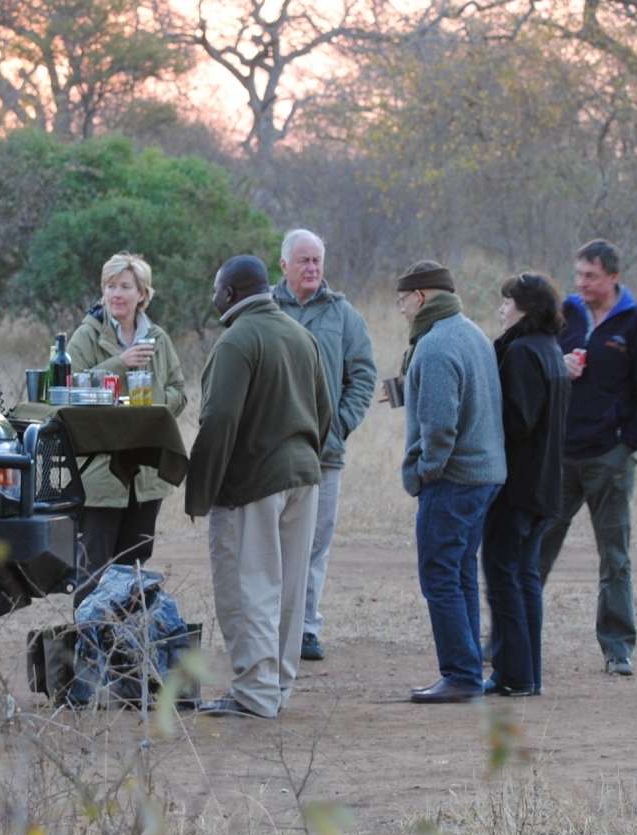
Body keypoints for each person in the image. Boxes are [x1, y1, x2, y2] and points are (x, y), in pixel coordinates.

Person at [185, 255, 333, 719]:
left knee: (248, 587)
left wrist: (202, 488)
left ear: (230, 294)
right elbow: (323, 411)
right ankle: (277, 687)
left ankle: (254, 692)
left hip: (253, 484)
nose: (213, 299)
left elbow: (220, 419)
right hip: (304, 479)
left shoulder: (237, 341)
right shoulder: (299, 334)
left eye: (216, 290)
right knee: (289, 588)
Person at [539, 239, 637, 677]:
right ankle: (507, 639)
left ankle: (617, 648)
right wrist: (561, 363)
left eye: (590, 276)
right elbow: (535, 358)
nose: (581, 284)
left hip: (608, 459)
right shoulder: (566, 315)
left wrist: (625, 447)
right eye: (578, 275)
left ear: (613, 276)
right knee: (535, 547)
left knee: (615, 557)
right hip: (561, 456)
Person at [395, 261, 506, 704]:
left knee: (438, 574)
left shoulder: (436, 345)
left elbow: (439, 425)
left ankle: (460, 674)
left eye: (403, 300)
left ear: (421, 297)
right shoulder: (473, 333)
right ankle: (467, 669)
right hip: (483, 476)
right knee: (459, 572)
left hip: (454, 478)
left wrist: (427, 470)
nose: (401, 309)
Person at [271, 229, 377, 662]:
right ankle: (271, 628)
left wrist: (340, 425)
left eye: (317, 261)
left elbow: (364, 375)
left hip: (323, 454)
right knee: (271, 542)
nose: (312, 268)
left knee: (314, 542)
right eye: (304, 261)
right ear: (284, 266)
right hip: (271, 452)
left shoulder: (343, 314)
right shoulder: (266, 309)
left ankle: (306, 628)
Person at [64, 252, 189, 575]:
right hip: (100, 472)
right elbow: (70, 388)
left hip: (146, 472)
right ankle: (92, 627)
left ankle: (127, 627)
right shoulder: (87, 335)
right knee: (94, 564)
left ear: (142, 294)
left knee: (135, 563)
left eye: (125, 286)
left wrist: (156, 410)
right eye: (110, 286)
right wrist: (121, 363)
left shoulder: (158, 338)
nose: (116, 294)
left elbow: (179, 390)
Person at [480, 273, 571, 697]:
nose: (502, 309)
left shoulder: (520, 353)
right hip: (545, 487)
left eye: (509, 302)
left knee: (503, 576)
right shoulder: (551, 350)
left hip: (517, 487)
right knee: (525, 577)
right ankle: (527, 674)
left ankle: (512, 675)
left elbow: (516, 422)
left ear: (527, 310)